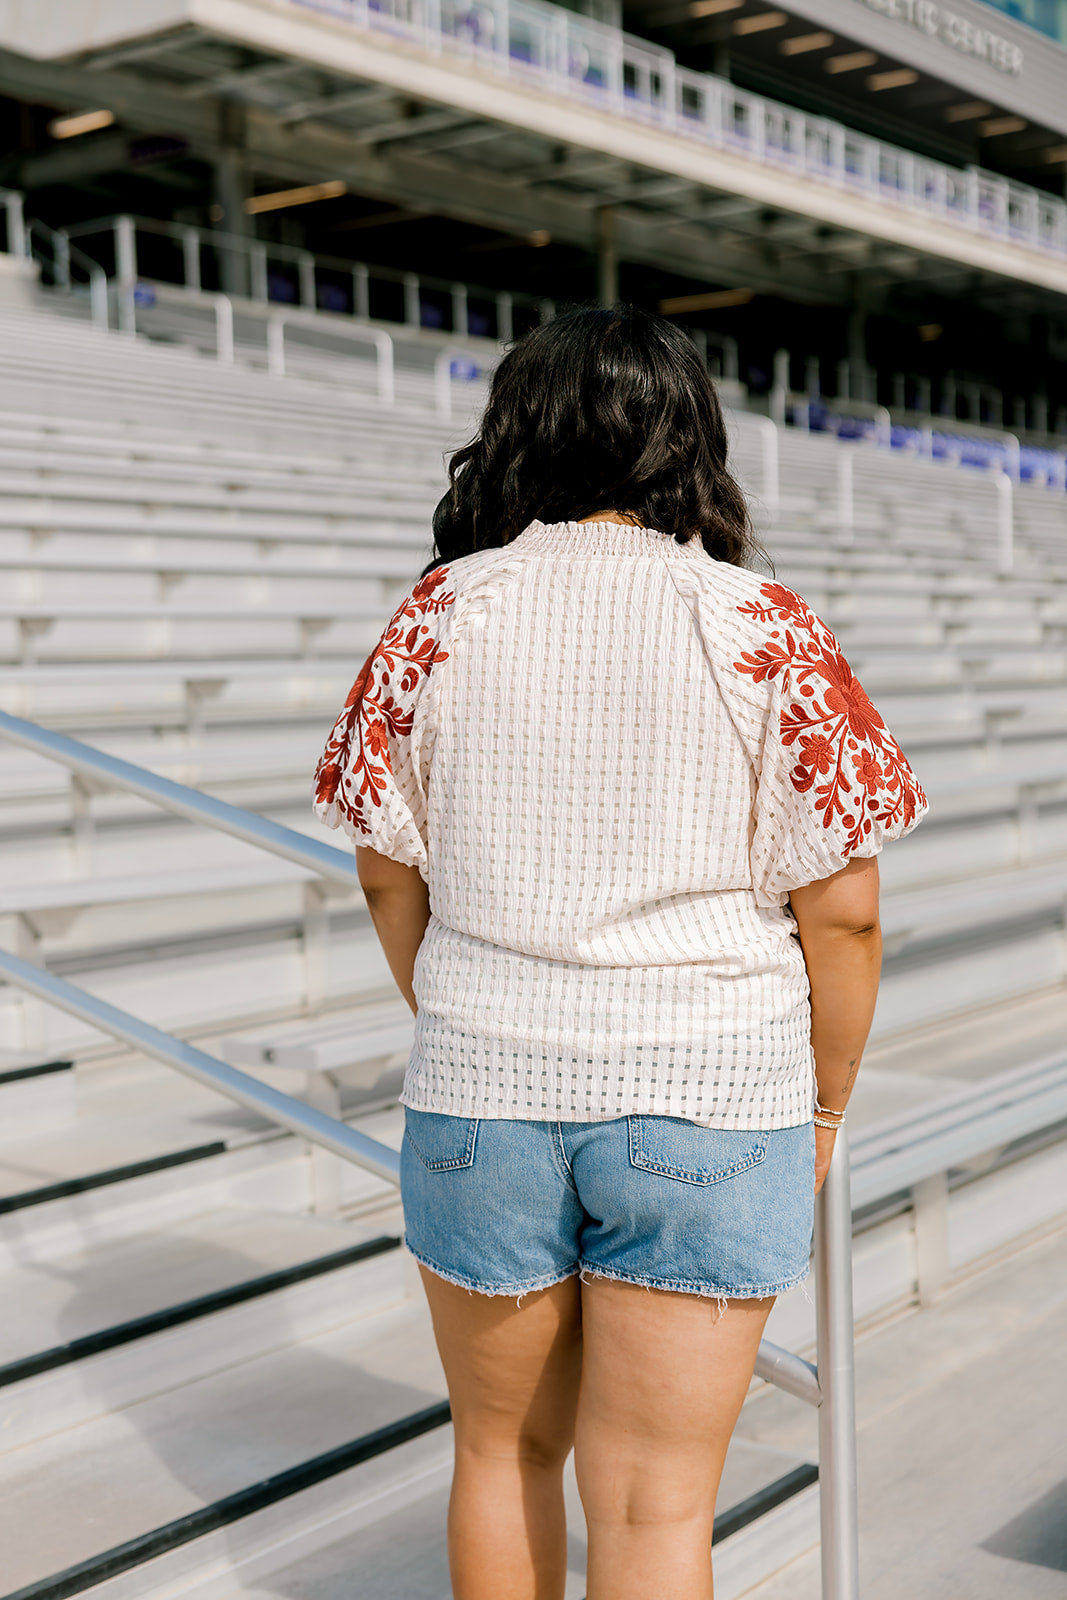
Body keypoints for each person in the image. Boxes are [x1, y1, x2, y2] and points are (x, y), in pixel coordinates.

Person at [312, 305, 928, 1600]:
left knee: (498, 1456)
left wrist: (464, 1006)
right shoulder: (762, 625)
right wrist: (821, 1103)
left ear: (517, 439)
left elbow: (382, 868)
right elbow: (849, 910)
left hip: (483, 1089)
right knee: (656, 1511)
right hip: (712, 1096)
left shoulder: (441, 613)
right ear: (687, 440)